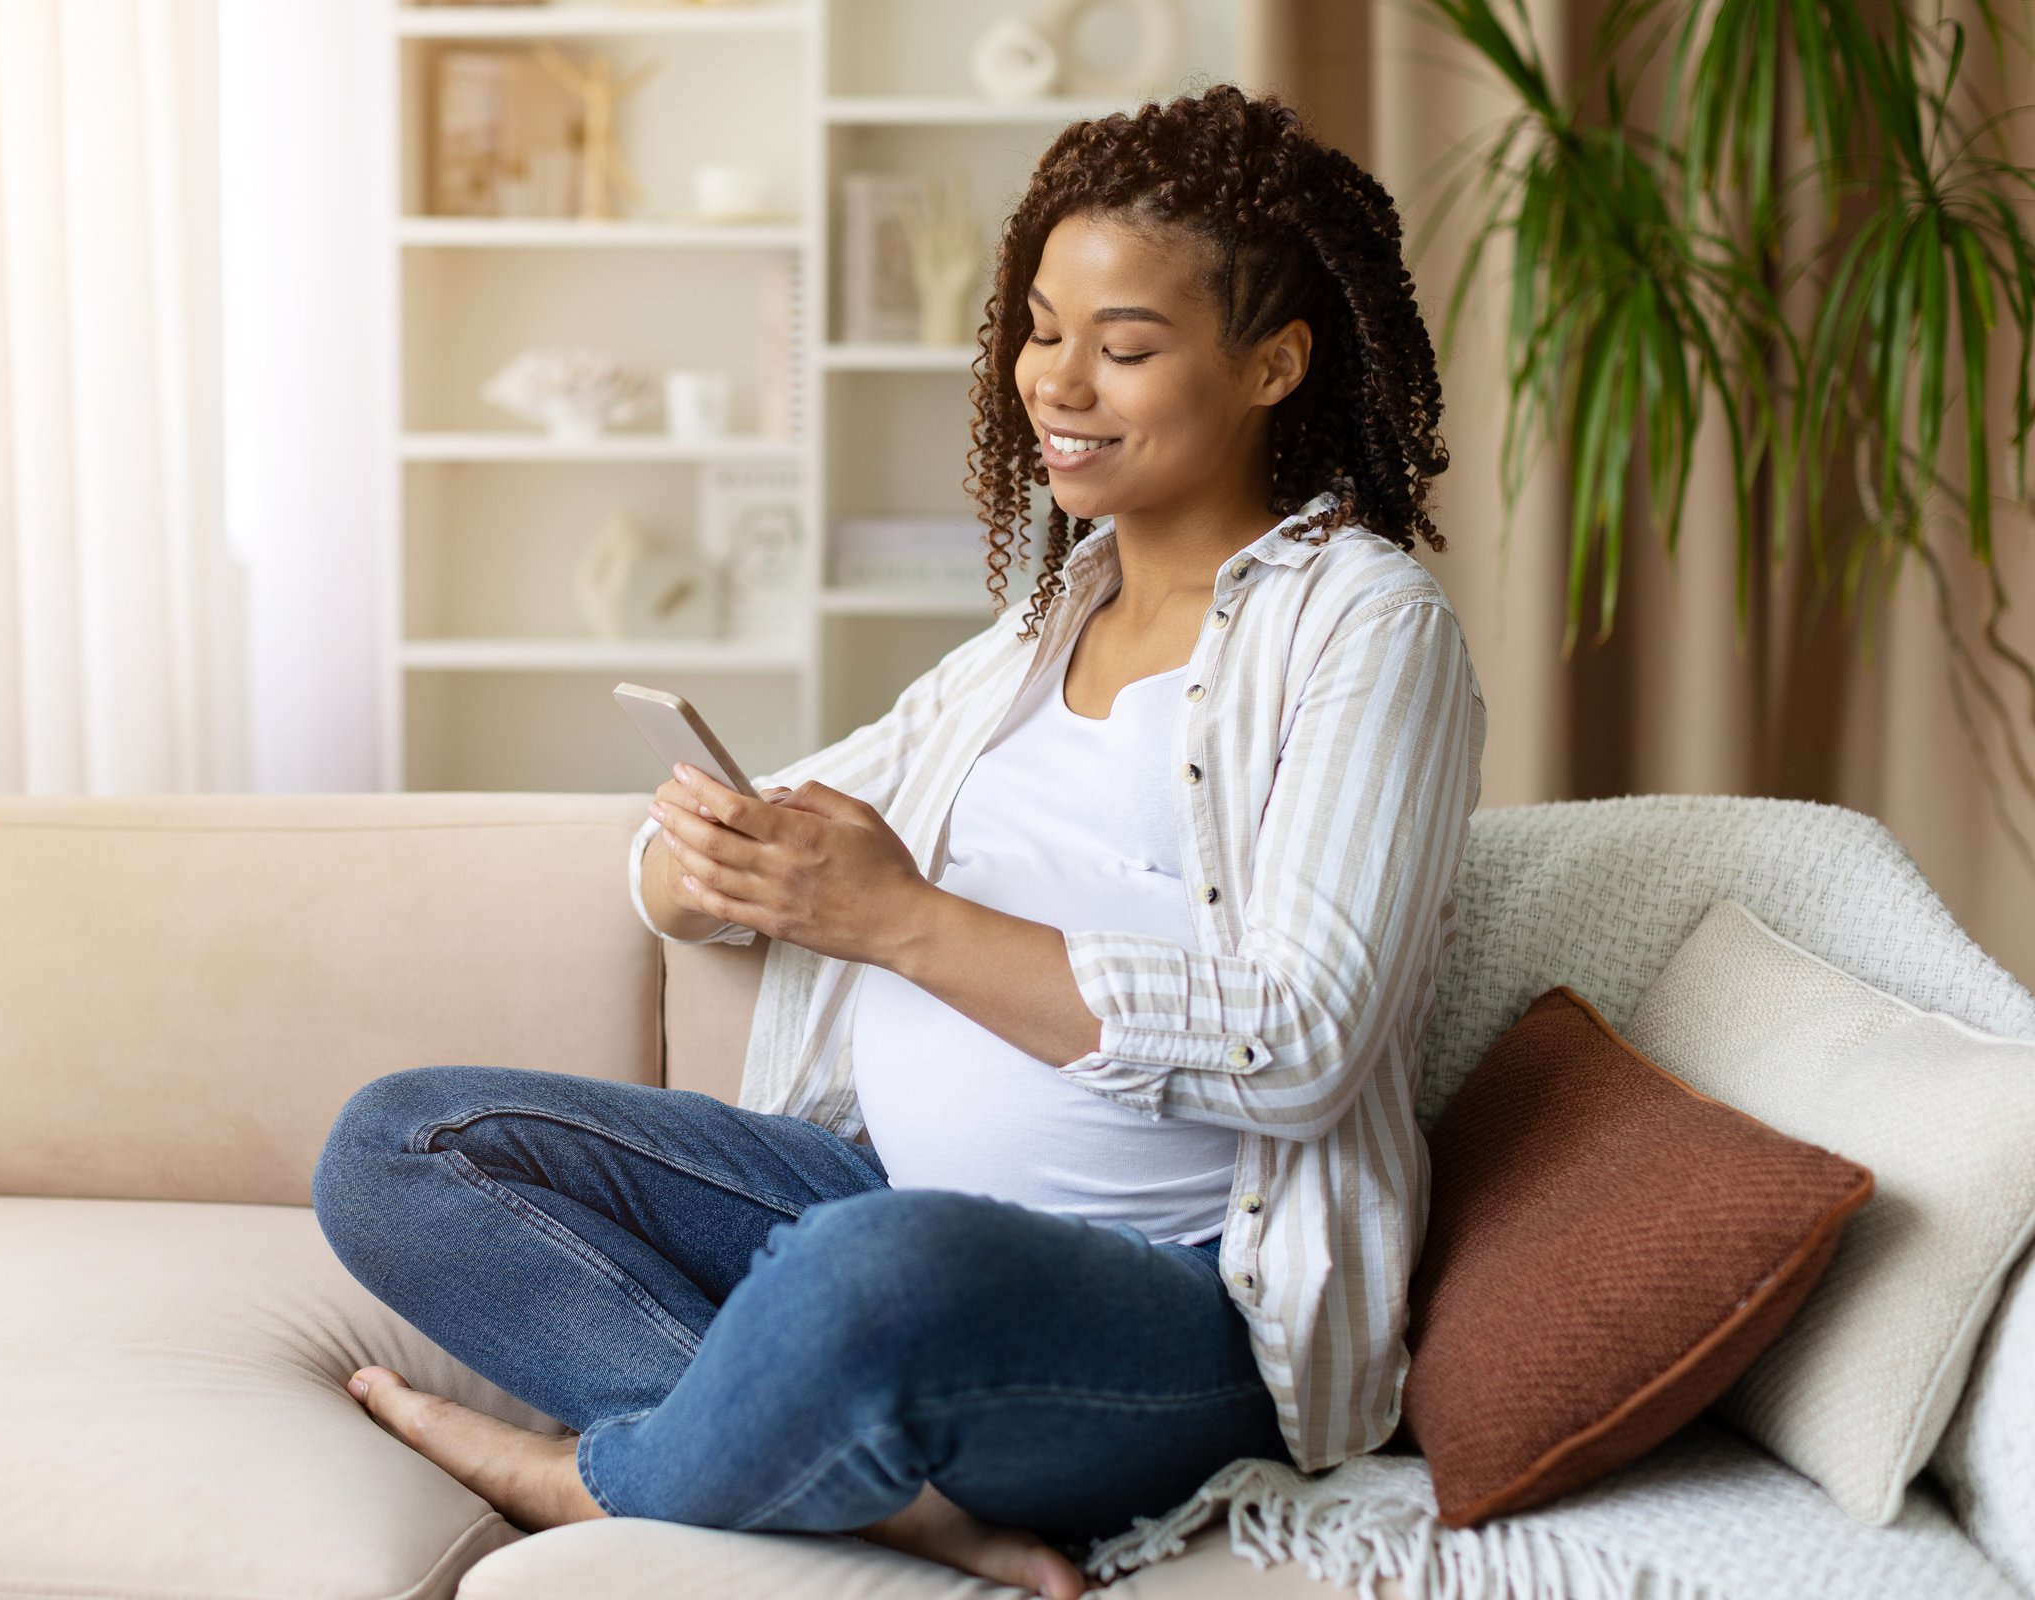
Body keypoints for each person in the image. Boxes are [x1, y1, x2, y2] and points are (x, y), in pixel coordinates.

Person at [313, 83, 1485, 1600]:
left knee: (871, 1276)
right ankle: (851, 1480)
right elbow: (704, 866)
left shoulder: (1368, 627)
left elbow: (1308, 1037)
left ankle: (614, 1475)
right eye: (1041, 331)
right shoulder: (1035, 634)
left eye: (1125, 348)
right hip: (867, 1209)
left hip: (1173, 1308)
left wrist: (894, 919)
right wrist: (709, 863)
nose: (1058, 382)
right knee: (395, 1145)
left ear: (1275, 363)